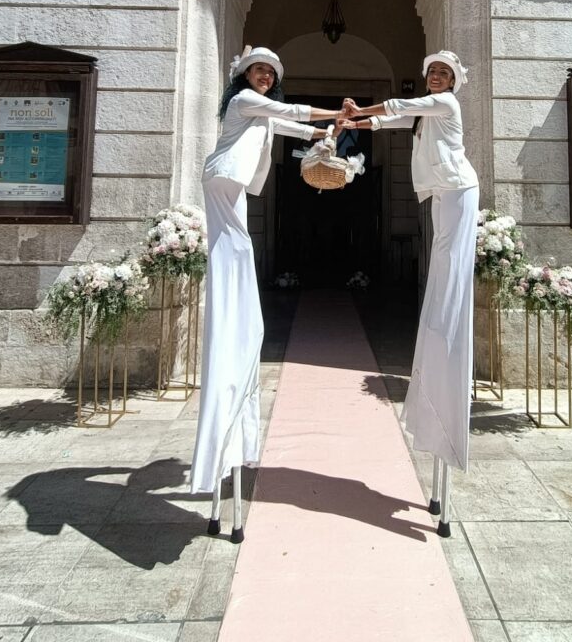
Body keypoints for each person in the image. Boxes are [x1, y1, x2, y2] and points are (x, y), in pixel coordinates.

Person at [190, 46, 344, 497]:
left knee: (238, 248)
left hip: (232, 184)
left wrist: (328, 130)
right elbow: (287, 109)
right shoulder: (242, 102)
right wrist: (339, 110)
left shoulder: (259, 111)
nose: (263, 76)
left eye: (269, 72)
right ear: (245, 75)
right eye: (258, 70)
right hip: (222, 179)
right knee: (234, 248)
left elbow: (288, 124)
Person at [342, 50, 479, 482]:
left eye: (444, 73)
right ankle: (440, 303)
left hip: (457, 188)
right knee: (442, 257)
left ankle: (447, 310)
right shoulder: (428, 114)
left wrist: (360, 107)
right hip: (441, 191)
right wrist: (357, 124)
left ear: (453, 81)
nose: (437, 77)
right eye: (433, 72)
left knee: (450, 258)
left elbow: (402, 106)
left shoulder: (445, 104)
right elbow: (395, 120)